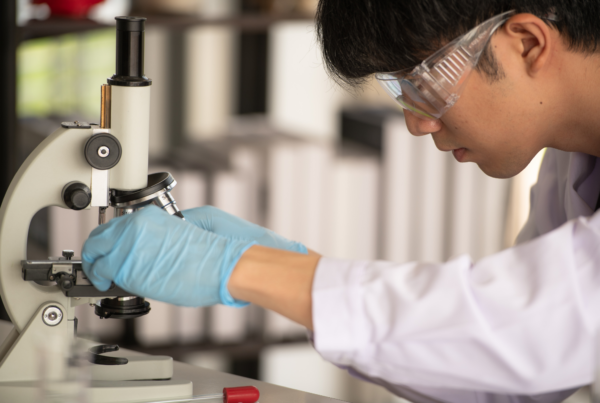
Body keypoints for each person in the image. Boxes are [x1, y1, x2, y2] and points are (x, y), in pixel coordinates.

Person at [82, 1, 600, 402]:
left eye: (425, 84)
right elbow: (504, 381)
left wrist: (245, 268)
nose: (417, 123)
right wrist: (289, 267)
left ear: (528, 43)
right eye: (402, 91)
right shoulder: (571, 162)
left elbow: (534, 325)